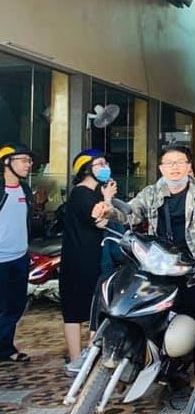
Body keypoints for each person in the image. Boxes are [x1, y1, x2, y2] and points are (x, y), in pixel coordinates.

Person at [109, 145, 195, 367]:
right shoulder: (152, 192)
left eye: (180, 162)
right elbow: (130, 213)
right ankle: (158, 366)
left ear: (189, 166)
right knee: (153, 316)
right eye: (169, 163)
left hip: (193, 267)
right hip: (160, 265)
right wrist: (108, 211)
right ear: (161, 168)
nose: (174, 167)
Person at [59, 149, 117, 375]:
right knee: (77, 311)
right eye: (99, 164)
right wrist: (108, 198)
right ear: (86, 169)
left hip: (94, 258)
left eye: (105, 163)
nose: (105, 167)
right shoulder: (82, 193)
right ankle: (77, 360)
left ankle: (89, 358)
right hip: (79, 260)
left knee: (93, 309)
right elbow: (99, 219)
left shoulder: (94, 192)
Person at [0, 143, 35, 363]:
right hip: (1, 258)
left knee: (15, 306)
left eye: (29, 161)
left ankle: (5, 348)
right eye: (23, 160)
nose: (28, 165)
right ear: (6, 162)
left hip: (19, 256)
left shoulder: (25, 190)